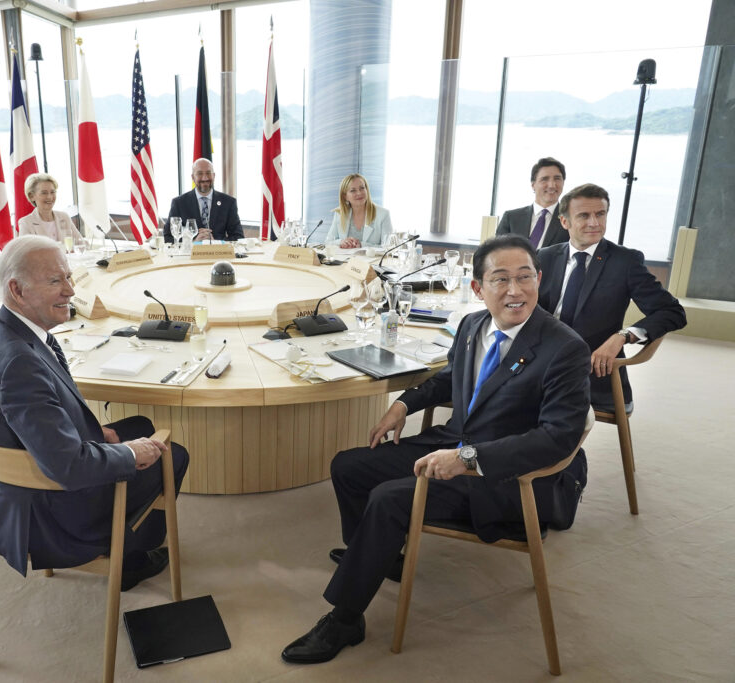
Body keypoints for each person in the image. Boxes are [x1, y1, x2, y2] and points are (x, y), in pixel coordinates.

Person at [281, 234, 590, 665]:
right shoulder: (472, 325)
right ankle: (377, 555)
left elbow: (557, 437)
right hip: (453, 442)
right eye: (500, 280)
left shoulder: (565, 349)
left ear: (539, 279)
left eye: (525, 278)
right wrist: (403, 405)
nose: (515, 290)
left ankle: (346, 618)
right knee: (349, 466)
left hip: (503, 477)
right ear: (479, 289)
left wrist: (468, 459)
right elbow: (449, 380)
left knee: (390, 499)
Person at [0, 235, 189, 588]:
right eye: (55, 281)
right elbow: (68, 467)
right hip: (50, 512)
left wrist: (98, 435)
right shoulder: (19, 364)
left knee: (140, 424)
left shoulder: (5, 330)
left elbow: (42, 420)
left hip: (28, 482)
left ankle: (129, 547)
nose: (70, 290)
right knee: (171, 454)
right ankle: (127, 558)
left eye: (68, 277)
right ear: (16, 290)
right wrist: (129, 454)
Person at [537, 183, 686, 412]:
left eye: (600, 214)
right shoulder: (544, 257)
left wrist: (623, 336)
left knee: (539, 407)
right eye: (584, 215)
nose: (594, 223)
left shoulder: (625, 262)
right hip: (540, 361)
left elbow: (672, 312)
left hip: (591, 371)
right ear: (564, 222)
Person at [496, 157, 570, 248]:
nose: (551, 185)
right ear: (533, 185)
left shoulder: (570, 220)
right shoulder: (511, 218)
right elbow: (497, 251)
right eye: (544, 179)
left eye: (557, 179)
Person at [166, 158, 243, 242]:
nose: (205, 178)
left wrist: (215, 242)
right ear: (193, 177)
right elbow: (168, 237)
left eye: (208, 173)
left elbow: (238, 237)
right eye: (199, 173)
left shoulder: (228, 202)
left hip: (219, 254)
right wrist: (193, 241)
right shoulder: (179, 203)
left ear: (214, 175)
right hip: (189, 254)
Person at [323, 173, 392, 249]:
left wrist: (361, 245)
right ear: (345, 196)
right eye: (353, 190)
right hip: (345, 260)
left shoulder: (383, 214)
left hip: (371, 260)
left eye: (362, 188)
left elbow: (389, 247)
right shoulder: (339, 213)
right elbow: (328, 242)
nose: (359, 193)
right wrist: (341, 242)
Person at [16, 172, 85, 245]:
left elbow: (81, 243)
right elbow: (26, 253)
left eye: (52, 192)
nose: (49, 197)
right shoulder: (26, 223)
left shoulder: (64, 217)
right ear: (31, 196)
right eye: (44, 193)